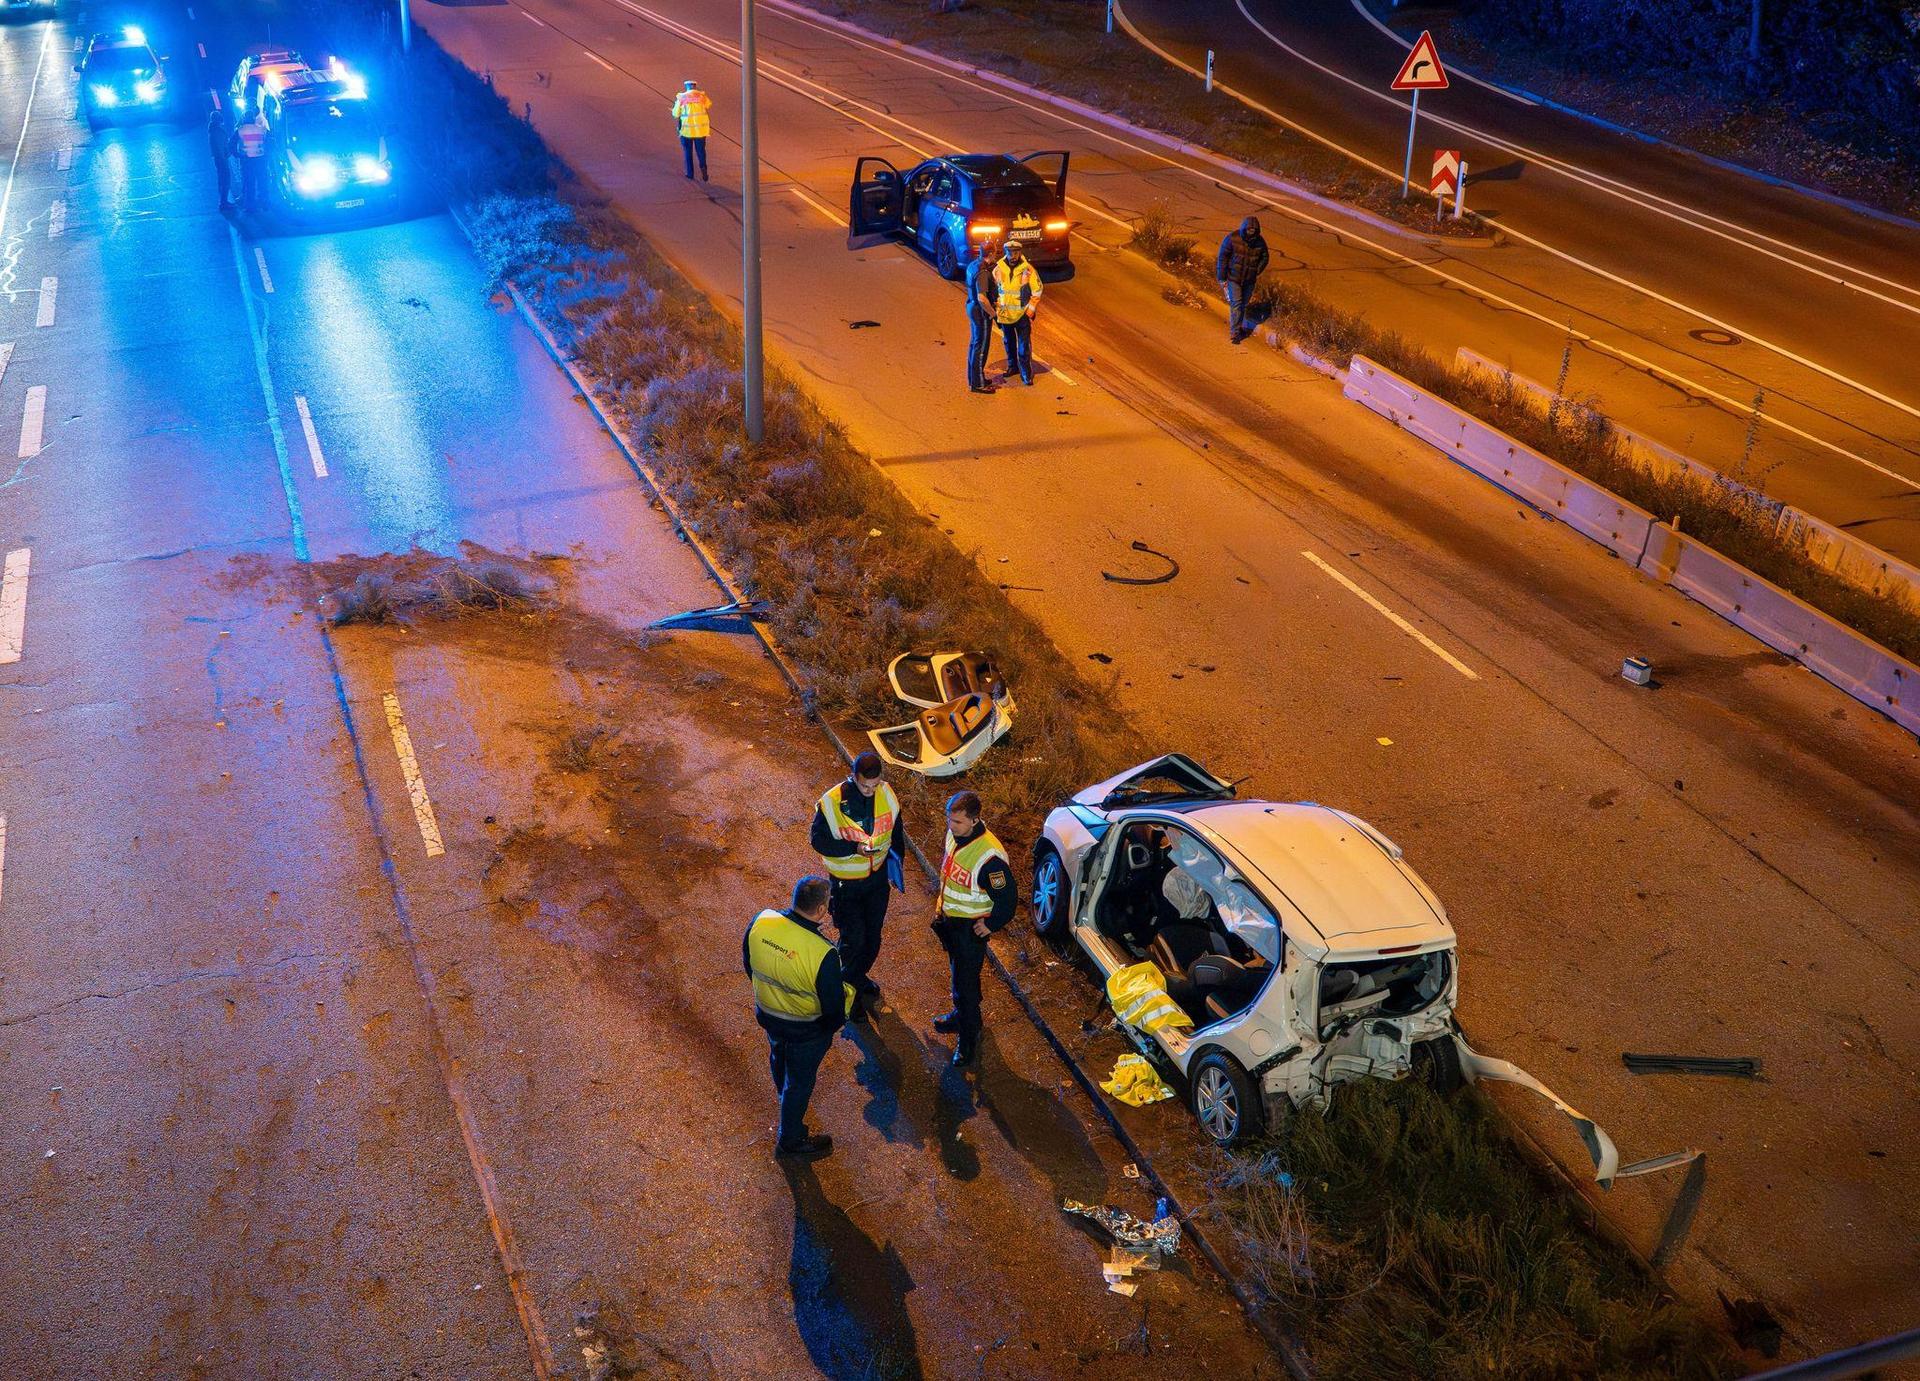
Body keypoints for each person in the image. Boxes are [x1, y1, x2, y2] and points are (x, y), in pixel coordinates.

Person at [744, 876, 852, 1159]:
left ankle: (784, 1098)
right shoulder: (822, 953)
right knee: (800, 1083)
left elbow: (749, 964)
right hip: (806, 1030)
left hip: (769, 1016)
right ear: (819, 911)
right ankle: (790, 1140)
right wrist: (827, 1029)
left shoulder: (762, 921)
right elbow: (833, 1007)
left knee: (779, 1057)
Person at [809, 750, 904, 1023]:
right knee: (854, 941)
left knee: (873, 939)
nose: (870, 791)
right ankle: (846, 996)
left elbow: (896, 831)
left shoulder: (887, 794)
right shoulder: (833, 802)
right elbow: (819, 841)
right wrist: (853, 847)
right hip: (846, 886)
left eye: (874, 785)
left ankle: (857, 978)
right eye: (864, 785)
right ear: (853, 776)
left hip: (876, 882)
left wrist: (897, 866)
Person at [930, 790, 1017, 1067]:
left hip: (969, 931)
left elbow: (1008, 899)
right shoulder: (956, 835)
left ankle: (967, 1039)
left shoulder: (989, 857)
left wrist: (990, 924)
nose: (950, 827)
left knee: (964, 987)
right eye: (949, 820)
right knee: (961, 977)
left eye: (957, 822)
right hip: (951, 924)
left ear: (975, 819)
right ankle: (965, 1016)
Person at [991, 240, 1043, 386]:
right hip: (1005, 314)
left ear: (1020, 252)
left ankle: (1026, 372)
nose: (1012, 255)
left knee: (1023, 346)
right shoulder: (998, 269)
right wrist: (997, 309)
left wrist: (1030, 310)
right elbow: (994, 291)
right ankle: (1012, 367)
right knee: (1008, 342)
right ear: (1005, 252)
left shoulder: (1028, 270)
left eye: (1015, 252)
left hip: (1022, 315)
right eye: (1009, 252)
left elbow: (1037, 290)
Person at [1215, 215, 1269, 344]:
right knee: (1237, 303)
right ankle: (1235, 332)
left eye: (1253, 231)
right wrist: (1222, 277)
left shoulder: (1260, 242)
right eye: (1249, 230)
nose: (1251, 233)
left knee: (1243, 304)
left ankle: (1238, 326)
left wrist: (1257, 270)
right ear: (1244, 229)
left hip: (1249, 280)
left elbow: (1265, 257)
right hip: (1234, 278)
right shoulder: (1232, 238)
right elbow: (1223, 257)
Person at [963, 236, 1002, 394]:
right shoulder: (983, 271)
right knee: (981, 347)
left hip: (971, 307)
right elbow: (982, 298)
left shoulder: (973, 265)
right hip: (981, 312)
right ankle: (978, 384)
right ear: (991, 253)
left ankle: (974, 378)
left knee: (974, 344)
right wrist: (993, 314)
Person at [671, 79, 711, 182]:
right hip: (700, 130)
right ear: (695, 86)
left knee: (688, 151)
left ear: (686, 87)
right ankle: (703, 168)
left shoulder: (681, 98)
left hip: (687, 130)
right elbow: (708, 105)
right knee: (701, 151)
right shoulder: (702, 97)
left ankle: (690, 173)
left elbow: (675, 114)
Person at [231, 112, 268, 212]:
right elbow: (267, 142)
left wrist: (237, 155)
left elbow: (232, 144)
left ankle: (250, 206)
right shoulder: (261, 129)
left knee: (249, 183)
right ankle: (264, 202)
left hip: (247, 160)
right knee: (262, 182)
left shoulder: (240, 130)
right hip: (260, 159)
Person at [207, 106, 234, 211]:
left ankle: (224, 201)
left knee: (222, 180)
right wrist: (225, 156)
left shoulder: (213, 130)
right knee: (225, 180)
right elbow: (219, 147)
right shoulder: (216, 131)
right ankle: (223, 203)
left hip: (219, 159)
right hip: (221, 159)